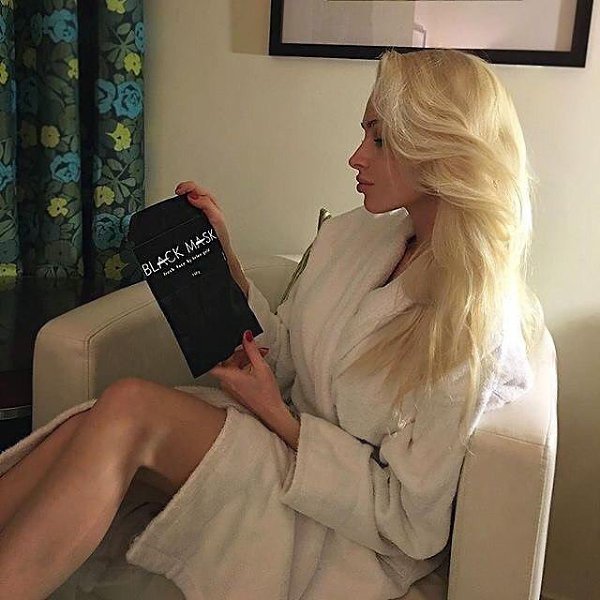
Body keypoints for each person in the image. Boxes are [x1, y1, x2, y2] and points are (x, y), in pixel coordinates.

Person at [0, 47, 544, 599]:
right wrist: (225, 264)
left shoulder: (473, 325)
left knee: (129, 406)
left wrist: (281, 421)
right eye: (364, 133)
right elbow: (289, 353)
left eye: (380, 140)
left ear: (440, 148)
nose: (356, 157)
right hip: (276, 441)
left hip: (339, 520)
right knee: (87, 424)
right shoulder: (353, 238)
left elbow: (410, 525)